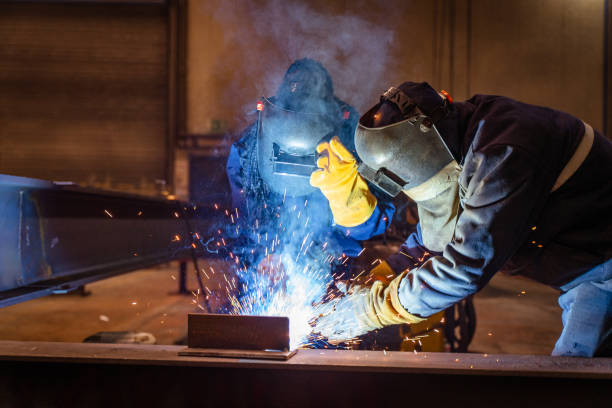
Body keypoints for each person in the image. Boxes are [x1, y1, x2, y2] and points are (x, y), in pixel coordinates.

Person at [311, 81, 612, 357]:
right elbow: (438, 235)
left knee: (581, 379)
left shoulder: (504, 152)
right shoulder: (458, 143)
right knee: (574, 374)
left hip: (605, 275)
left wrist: (373, 310)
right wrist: (381, 275)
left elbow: (465, 268)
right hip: (587, 275)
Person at [224, 59, 394, 325]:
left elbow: (375, 223)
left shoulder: (353, 142)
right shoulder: (249, 149)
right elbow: (246, 217)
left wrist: (327, 248)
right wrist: (266, 254)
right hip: (269, 267)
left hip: (337, 269)